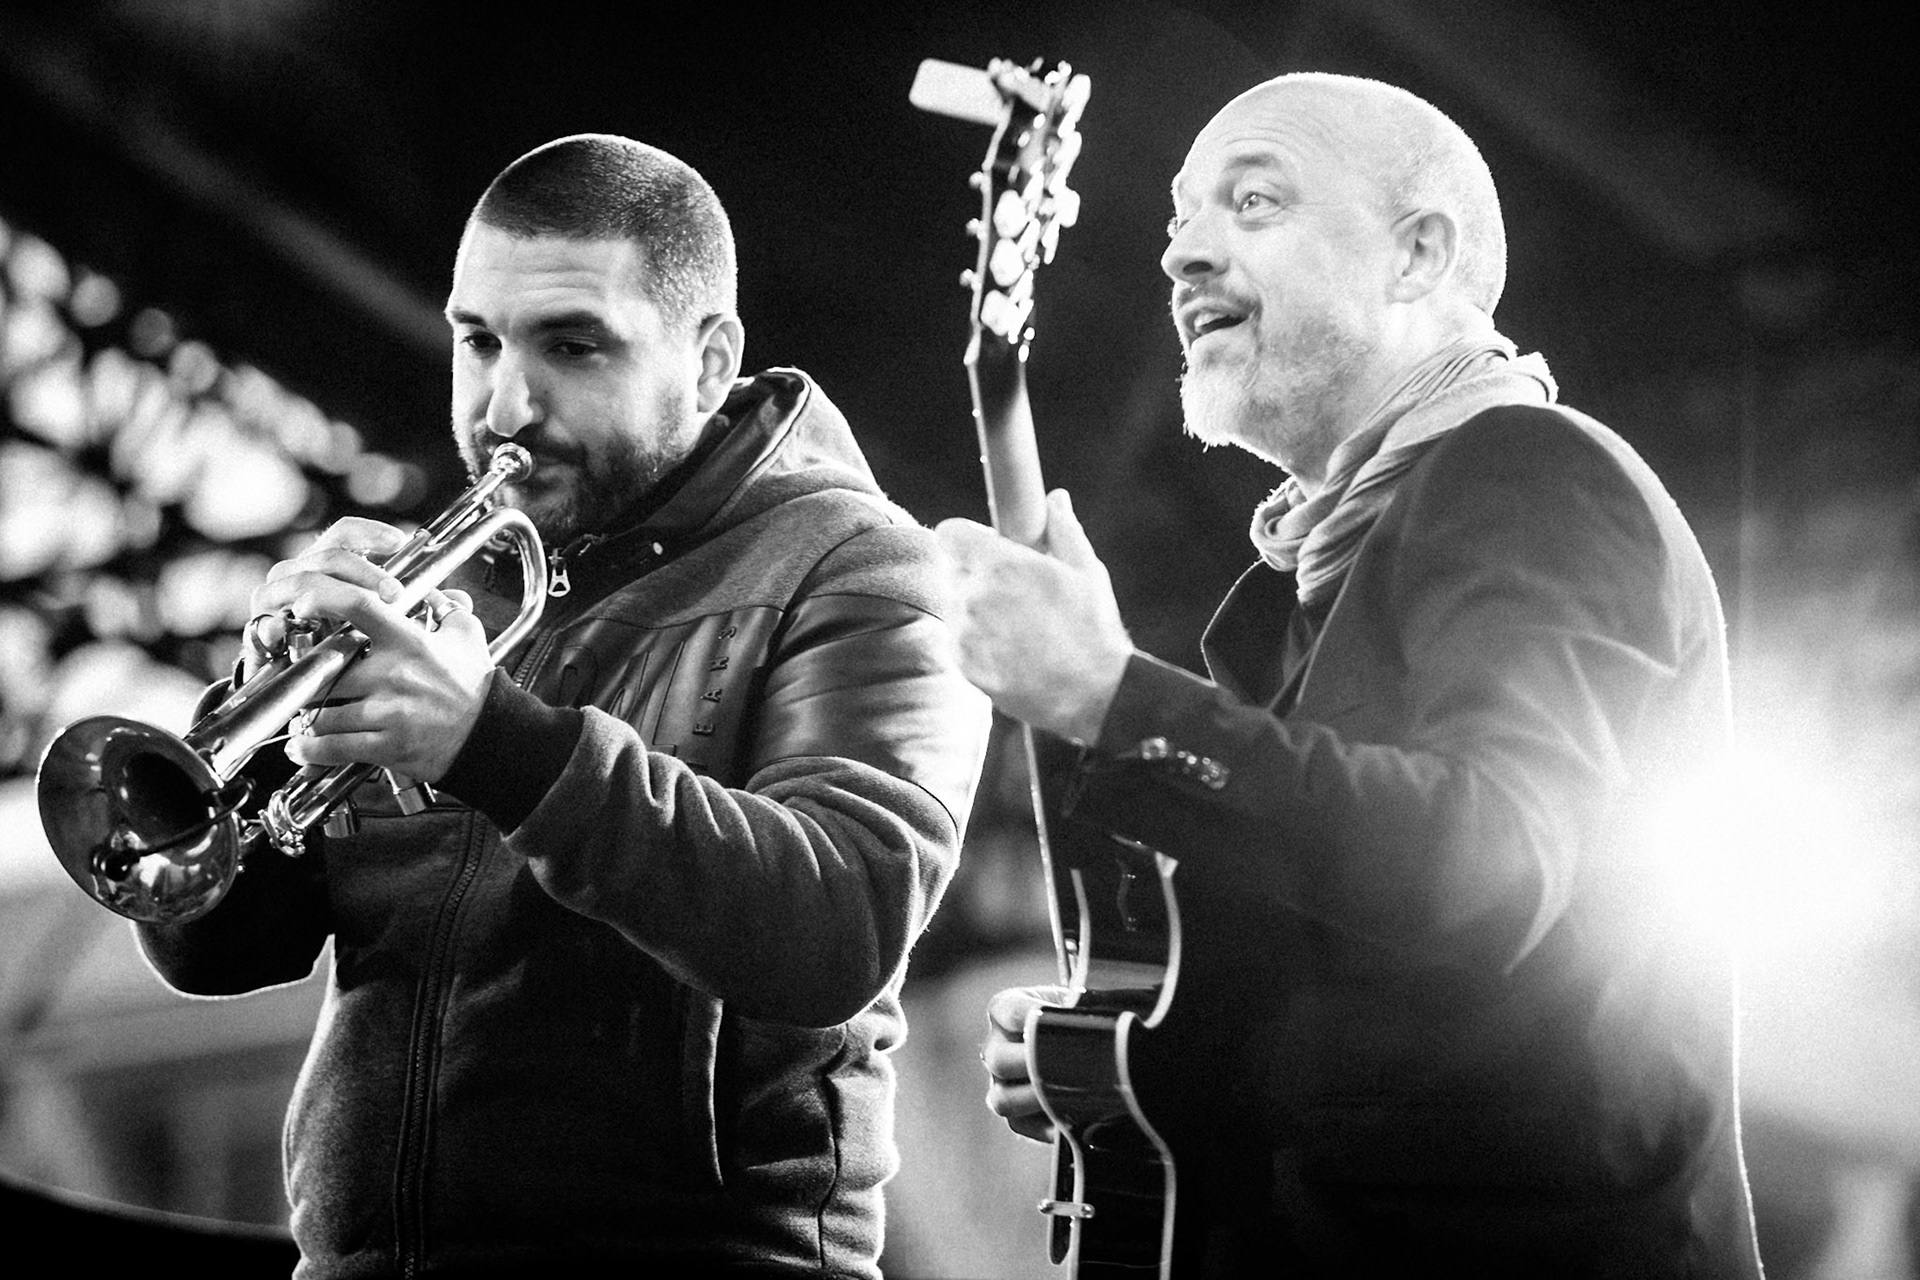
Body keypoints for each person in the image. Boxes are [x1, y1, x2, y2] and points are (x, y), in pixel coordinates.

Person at [936, 73, 1766, 1277]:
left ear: (1417, 255)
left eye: (1253, 201)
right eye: (1179, 221)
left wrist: (1114, 696)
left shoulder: (1533, 474)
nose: (1181, 256)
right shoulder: (1306, 594)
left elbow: (1486, 865)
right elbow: (1367, 1008)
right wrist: (1125, 1058)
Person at [136, 134, 989, 1279]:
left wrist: (490, 738)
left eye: (573, 346)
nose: (506, 405)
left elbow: (843, 919)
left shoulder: (864, 569)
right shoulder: (462, 578)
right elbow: (217, 950)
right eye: (477, 340)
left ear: (711, 356)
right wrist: (260, 718)